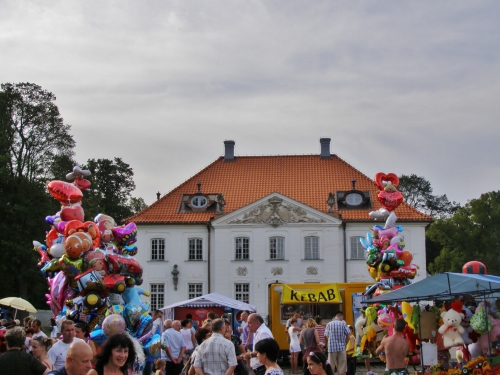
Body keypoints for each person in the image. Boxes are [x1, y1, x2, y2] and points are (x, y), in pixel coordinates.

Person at [144, 310, 164, 375]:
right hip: (148, 356)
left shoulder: (157, 327)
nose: (160, 319)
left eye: (161, 317)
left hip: (154, 357)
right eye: (159, 316)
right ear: (154, 315)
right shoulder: (149, 325)